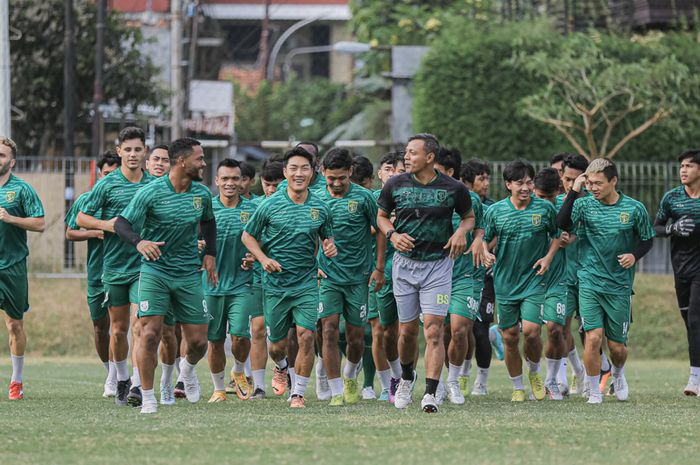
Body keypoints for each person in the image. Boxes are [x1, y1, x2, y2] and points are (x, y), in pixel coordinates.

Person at [114, 137, 218, 414]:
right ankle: (147, 397)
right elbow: (121, 223)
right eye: (200, 158)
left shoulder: (202, 194)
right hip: (155, 272)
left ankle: (187, 370)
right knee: (149, 334)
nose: (204, 163)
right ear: (182, 161)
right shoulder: (151, 192)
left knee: (197, 342)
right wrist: (139, 242)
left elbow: (208, 221)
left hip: (188, 274)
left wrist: (210, 254)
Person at [377, 133, 474, 413]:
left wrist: (460, 232)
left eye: (413, 153)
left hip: (439, 267)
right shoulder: (395, 184)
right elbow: (381, 216)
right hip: (405, 266)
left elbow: (468, 218)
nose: (407, 157)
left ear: (430, 157)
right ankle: (407, 378)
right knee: (406, 332)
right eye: (406, 152)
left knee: (433, 330)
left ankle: (430, 393)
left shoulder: (453, 188)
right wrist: (393, 235)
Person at [242, 146, 336, 408]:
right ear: (285, 172)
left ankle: (298, 394)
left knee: (307, 335)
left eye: (304, 168)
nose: (299, 173)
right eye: (293, 168)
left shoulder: (320, 207)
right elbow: (247, 236)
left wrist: (330, 246)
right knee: (276, 346)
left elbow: (328, 239)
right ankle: (281, 366)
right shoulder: (269, 205)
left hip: (306, 283)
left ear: (312, 172)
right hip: (275, 285)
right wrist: (263, 259)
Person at [557, 158, 655, 404]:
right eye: (589, 183)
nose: (593, 188)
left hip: (619, 286)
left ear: (614, 181)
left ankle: (618, 374)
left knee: (617, 347)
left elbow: (647, 239)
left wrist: (634, 255)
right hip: (589, 280)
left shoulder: (634, 209)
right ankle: (593, 390)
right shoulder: (585, 205)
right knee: (593, 337)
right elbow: (561, 223)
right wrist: (574, 192)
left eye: (598, 183)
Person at [77, 126, 153, 406]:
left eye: (138, 149)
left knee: (140, 323)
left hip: (144, 266)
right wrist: (106, 225)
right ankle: (120, 377)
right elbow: (82, 218)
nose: (133, 154)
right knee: (118, 330)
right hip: (114, 267)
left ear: (145, 151)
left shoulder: (153, 184)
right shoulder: (107, 184)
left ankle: (136, 382)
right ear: (119, 151)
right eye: (128, 149)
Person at [482, 160, 560, 402]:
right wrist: (485, 253)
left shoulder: (544, 209)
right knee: (509, 337)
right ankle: (517, 386)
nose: (525, 187)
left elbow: (557, 236)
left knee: (533, 331)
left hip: (534, 280)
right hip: (505, 283)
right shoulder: (495, 211)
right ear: (508, 185)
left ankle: (535, 372)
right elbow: (483, 238)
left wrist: (548, 258)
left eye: (529, 182)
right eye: (520, 183)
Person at [316, 148, 382, 406]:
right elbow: (308, 233)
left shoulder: (365, 198)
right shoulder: (315, 197)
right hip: (328, 277)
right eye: (331, 177)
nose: (336, 183)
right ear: (323, 173)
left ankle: (350, 374)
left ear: (350, 173)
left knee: (356, 337)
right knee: (329, 329)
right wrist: (315, 262)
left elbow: (380, 231)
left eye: (342, 177)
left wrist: (378, 268)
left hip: (358, 278)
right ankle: (334, 391)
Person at [64, 151, 120, 397]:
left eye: (114, 174)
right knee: (100, 327)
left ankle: (117, 377)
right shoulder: (88, 200)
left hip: (121, 270)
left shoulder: (129, 198)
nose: (109, 178)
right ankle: (110, 370)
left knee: (122, 326)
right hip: (96, 273)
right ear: (99, 174)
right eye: (106, 173)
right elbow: (70, 232)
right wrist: (96, 232)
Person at [204, 159, 259, 403]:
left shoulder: (254, 209)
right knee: (214, 340)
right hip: (211, 285)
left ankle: (238, 370)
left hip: (242, 284)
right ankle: (217, 389)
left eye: (234, 178)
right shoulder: (205, 209)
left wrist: (254, 256)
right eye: (224, 178)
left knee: (239, 335)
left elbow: (264, 241)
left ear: (242, 182)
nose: (229, 183)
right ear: (216, 181)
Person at [434, 148, 484, 405]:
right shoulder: (427, 197)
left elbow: (481, 227)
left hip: (466, 275)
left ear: (449, 172)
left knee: (460, 329)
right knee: (440, 331)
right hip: (435, 274)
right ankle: (438, 382)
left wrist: (478, 240)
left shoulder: (470, 199)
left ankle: (454, 380)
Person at [0, 136, 46, 400]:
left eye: (3, 155)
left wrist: (11, 218)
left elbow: (40, 224)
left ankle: (16, 380)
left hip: (13, 266)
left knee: (14, 324)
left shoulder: (22, 190)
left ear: (12, 161)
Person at [236, 158, 285, 400]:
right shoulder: (255, 207)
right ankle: (258, 386)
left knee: (284, 336)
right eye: (268, 184)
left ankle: (286, 370)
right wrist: (252, 258)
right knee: (256, 330)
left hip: (286, 280)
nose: (272, 190)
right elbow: (249, 240)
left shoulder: (291, 207)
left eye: (277, 185)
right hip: (256, 278)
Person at [654, 149, 700, 395]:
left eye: (689, 166)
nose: (683, 170)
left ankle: (695, 379)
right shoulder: (672, 198)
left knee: (695, 320)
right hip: (680, 267)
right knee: (690, 323)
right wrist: (674, 227)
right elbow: (656, 228)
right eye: (682, 165)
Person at [143, 145, 179, 405]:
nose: (160, 164)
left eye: (165, 160)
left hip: (177, 272)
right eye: (155, 159)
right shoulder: (141, 192)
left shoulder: (184, 192)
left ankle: (169, 380)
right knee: (144, 331)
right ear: (147, 164)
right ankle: (137, 385)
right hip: (142, 271)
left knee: (169, 332)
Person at [459, 162, 497, 396]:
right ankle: (461, 376)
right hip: (459, 277)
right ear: (467, 182)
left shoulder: (493, 208)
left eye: (487, 178)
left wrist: (484, 249)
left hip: (485, 279)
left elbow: (493, 235)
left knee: (480, 332)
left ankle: (481, 381)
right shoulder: (457, 206)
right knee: (461, 329)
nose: (486, 184)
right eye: (481, 179)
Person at [533, 167, 569, 400]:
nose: (545, 202)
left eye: (550, 198)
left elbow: (577, 233)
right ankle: (534, 377)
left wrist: (569, 238)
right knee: (530, 333)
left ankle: (551, 380)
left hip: (557, 278)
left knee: (555, 329)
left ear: (559, 192)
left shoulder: (567, 207)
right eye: (541, 197)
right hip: (531, 281)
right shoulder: (527, 207)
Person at [555, 154, 589, 395]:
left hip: (589, 275)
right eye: (567, 179)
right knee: (559, 328)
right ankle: (566, 375)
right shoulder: (556, 203)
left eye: (576, 180)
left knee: (590, 331)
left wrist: (575, 237)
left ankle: (590, 375)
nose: (571, 184)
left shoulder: (595, 204)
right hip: (562, 277)